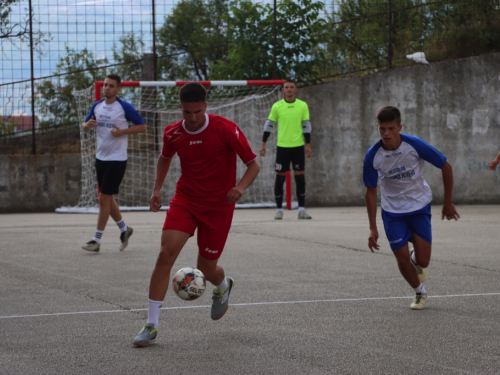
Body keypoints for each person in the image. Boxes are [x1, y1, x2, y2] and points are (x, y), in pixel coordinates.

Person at [132, 82, 260, 347]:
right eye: (187, 112)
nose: (192, 118)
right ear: (180, 107)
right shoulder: (173, 133)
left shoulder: (225, 129)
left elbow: (253, 164)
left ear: (206, 106)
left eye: (197, 112)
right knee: (165, 254)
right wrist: (157, 190)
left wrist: (240, 187)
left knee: (206, 268)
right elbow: (165, 157)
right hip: (186, 200)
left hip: (218, 206)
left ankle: (223, 286)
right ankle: (151, 325)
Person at [363, 106, 459, 310]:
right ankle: (419, 292)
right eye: (382, 129)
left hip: (418, 206)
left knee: (423, 261)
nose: (386, 133)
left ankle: (417, 259)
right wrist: (373, 227)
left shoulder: (414, 145)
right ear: (377, 128)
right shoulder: (373, 155)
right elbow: (370, 191)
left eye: (391, 128)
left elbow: (446, 166)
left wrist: (448, 201)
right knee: (401, 257)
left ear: (400, 127)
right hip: (393, 212)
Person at [81, 74, 146, 252]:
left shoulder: (124, 107)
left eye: (111, 86)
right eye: (105, 85)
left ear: (118, 89)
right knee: (107, 199)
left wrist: (122, 132)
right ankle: (125, 230)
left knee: (103, 199)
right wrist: (87, 126)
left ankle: (96, 240)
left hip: (117, 159)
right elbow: (85, 124)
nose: (107, 88)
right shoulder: (97, 106)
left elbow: (142, 126)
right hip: (100, 158)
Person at [260, 79, 312, 220]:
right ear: (283, 90)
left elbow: (306, 125)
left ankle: (301, 210)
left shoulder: (302, 106)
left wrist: (308, 144)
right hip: (282, 147)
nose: (289, 89)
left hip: (297, 146)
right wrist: (263, 142)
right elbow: (269, 125)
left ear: (296, 89)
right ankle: (279, 210)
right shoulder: (277, 106)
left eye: (291, 87)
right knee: (279, 178)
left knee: (300, 178)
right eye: (286, 87)